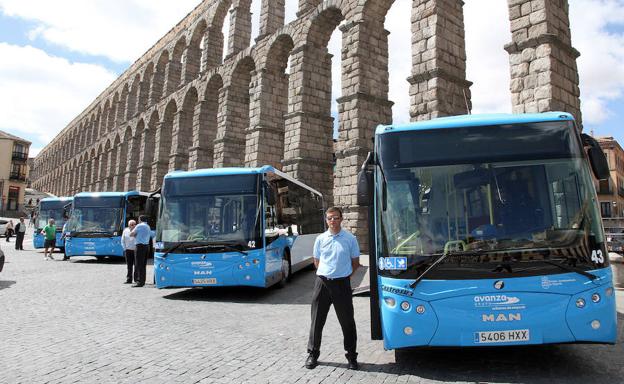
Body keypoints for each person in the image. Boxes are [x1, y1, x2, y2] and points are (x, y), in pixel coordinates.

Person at [305, 206, 360, 370]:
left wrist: (344, 276)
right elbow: (317, 261)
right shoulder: (320, 239)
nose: (333, 221)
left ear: (341, 219)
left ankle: (351, 356)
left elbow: (355, 263)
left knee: (347, 322)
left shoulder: (350, 239)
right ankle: (312, 354)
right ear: (326, 220)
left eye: (336, 217)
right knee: (317, 321)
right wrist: (326, 273)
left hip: (342, 284)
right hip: (322, 283)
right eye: (330, 218)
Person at [130, 215, 151, 287]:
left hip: (139, 246)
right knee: (143, 265)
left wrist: (133, 230)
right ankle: (143, 281)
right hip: (146, 246)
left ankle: (139, 282)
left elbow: (131, 234)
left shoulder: (139, 226)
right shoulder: (148, 226)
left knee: (138, 264)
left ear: (140, 219)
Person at [121, 220, 137, 284]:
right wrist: (125, 249)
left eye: (134, 224)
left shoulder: (137, 230)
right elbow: (122, 240)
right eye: (131, 224)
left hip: (136, 250)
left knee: (136, 265)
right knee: (129, 266)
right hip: (128, 250)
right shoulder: (125, 230)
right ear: (129, 225)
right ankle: (129, 279)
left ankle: (136, 279)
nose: (133, 225)